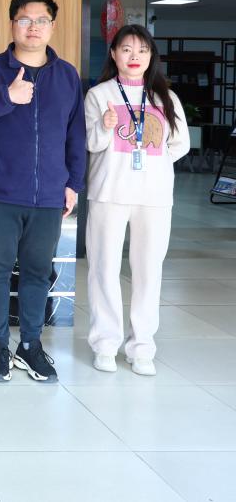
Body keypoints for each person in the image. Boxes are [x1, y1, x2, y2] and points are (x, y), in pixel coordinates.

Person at [0, 0, 85, 383]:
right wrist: (7, 96)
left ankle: (30, 346)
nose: (33, 27)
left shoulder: (66, 76)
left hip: (48, 195)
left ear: (52, 26)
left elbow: (76, 134)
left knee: (37, 272)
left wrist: (73, 183)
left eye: (41, 20)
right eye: (25, 20)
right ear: (12, 24)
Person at [84, 24, 189, 376]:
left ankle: (142, 347)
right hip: (109, 192)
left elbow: (180, 144)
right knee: (103, 268)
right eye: (126, 49)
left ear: (151, 57)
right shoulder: (98, 95)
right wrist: (105, 125)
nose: (134, 56)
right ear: (113, 54)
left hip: (153, 197)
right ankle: (105, 344)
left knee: (148, 271)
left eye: (142, 50)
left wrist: (152, 164)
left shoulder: (165, 98)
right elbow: (91, 143)